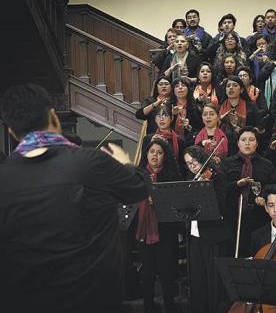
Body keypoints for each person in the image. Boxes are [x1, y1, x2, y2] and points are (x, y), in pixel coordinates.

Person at [0, 83, 151, 313]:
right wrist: (127, 164)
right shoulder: (91, 162)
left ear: (11, 130)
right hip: (92, 301)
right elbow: (139, 188)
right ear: (53, 117)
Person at [183, 145, 232, 313]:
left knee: (214, 281)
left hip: (214, 235)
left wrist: (206, 190)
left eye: (195, 162)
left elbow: (221, 206)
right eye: (188, 164)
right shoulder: (191, 176)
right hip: (196, 234)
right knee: (198, 279)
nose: (192, 167)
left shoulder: (217, 175)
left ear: (202, 159)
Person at [137, 138, 182, 313]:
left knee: (166, 271)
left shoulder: (172, 176)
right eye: (152, 152)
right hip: (143, 229)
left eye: (159, 152)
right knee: (147, 272)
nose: (155, 155)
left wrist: (157, 200)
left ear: (165, 156)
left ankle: (169, 306)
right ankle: (148, 306)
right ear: (146, 154)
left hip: (166, 230)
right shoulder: (138, 174)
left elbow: (177, 204)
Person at [221, 126, 276, 257]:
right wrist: (236, 184)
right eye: (243, 139)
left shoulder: (267, 165)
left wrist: (264, 197)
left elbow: (274, 188)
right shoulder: (226, 164)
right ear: (238, 143)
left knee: (258, 253)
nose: (247, 143)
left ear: (257, 143)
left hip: (258, 216)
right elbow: (221, 188)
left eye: (251, 140)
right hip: (232, 216)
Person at [218, 76, 262, 156]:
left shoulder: (251, 107)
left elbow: (259, 127)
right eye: (228, 86)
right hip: (225, 147)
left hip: (246, 147)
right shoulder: (220, 108)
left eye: (235, 85)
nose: (231, 88)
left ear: (241, 90)